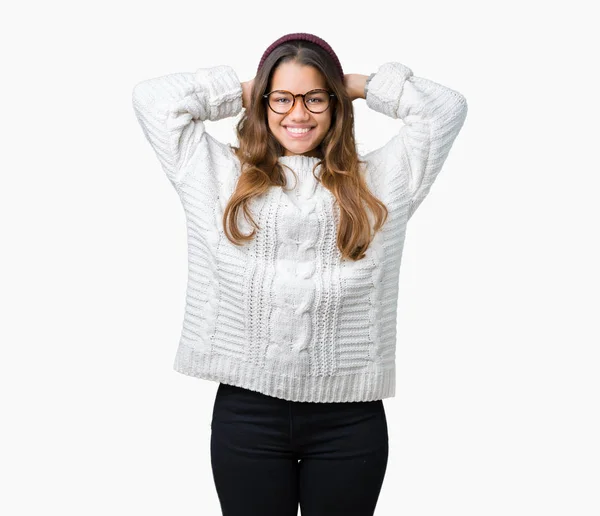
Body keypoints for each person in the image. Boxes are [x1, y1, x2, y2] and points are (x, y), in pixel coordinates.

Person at [132, 32, 468, 516]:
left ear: (335, 105)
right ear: (263, 103)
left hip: (349, 422)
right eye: (282, 99)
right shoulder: (216, 176)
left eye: (315, 98)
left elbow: (445, 109)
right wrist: (251, 87)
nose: (298, 113)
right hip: (248, 415)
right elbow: (153, 101)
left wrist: (354, 84)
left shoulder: (382, 183)